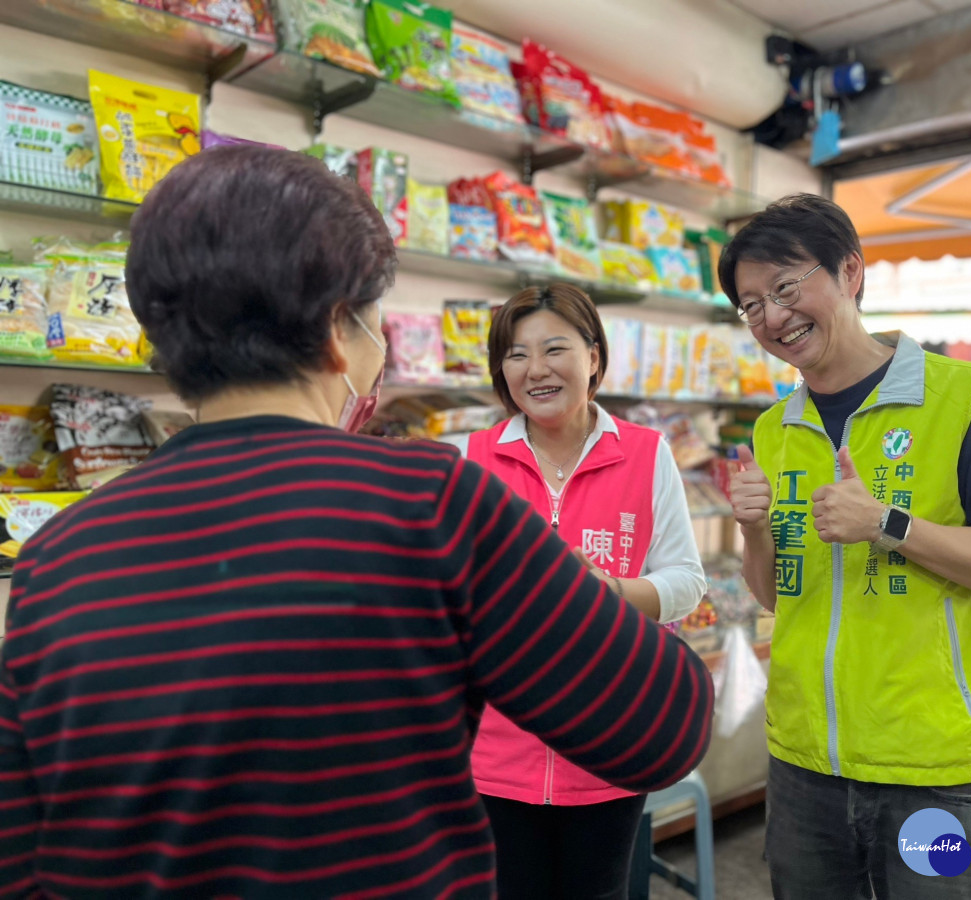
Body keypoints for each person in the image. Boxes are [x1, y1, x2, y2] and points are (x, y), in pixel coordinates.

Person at [0, 146, 713, 899]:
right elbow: (664, 723)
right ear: (340, 331)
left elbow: (19, 857)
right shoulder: (435, 503)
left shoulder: (54, 559)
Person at [722, 194, 971, 899]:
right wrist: (751, 529)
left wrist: (888, 524)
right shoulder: (776, 429)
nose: (773, 317)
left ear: (849, 272)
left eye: (785, 286)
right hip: (804, 761)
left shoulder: (966, 396)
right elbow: (780, 595)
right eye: (750, 305)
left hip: (933, 769)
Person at [446, 282, 707, 900]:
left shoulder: (647, 453)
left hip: (610, 740)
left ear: (593, 356)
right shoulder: (467, 459)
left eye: (554, 348)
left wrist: (607, 593)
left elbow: (686, 581)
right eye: (514, 354)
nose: (534, 369)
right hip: (493, 752)